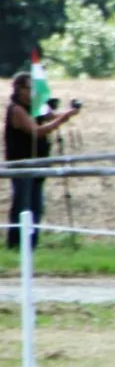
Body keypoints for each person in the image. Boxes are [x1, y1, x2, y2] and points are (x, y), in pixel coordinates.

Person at [6, 72, 80, 249]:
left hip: (38, 163)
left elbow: (51, 115)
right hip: (22, 165)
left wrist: (69, 112)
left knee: (36, 206)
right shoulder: (16, 109)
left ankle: (32, 244)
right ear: (19, 89)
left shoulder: (35, 106)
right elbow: (37, 131)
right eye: (29, 88)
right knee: (23, 205)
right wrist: (63, 119)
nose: (32, 91)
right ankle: (16, 244)